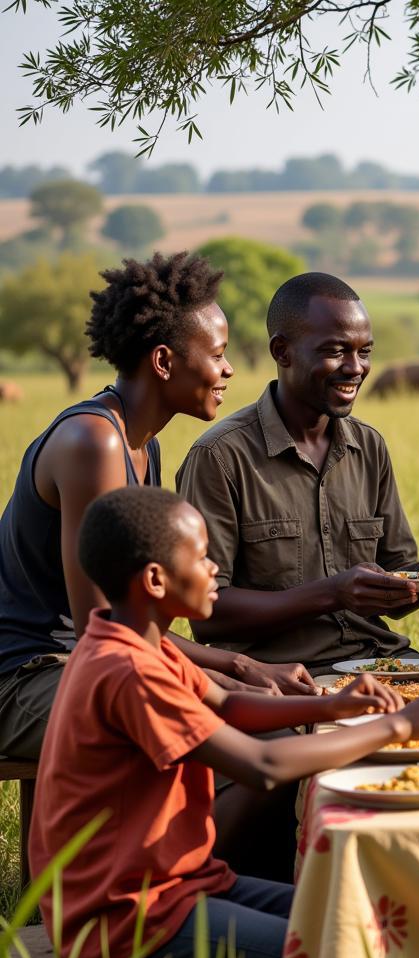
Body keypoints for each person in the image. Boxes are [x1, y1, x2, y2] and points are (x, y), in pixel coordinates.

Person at [29, 486, 419, 958]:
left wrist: (332, 704)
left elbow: (228, 703)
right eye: (202, 559)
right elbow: (261, 765)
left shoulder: (139, 639)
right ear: (155, 580)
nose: (215, 572)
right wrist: (396, 725)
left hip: (181, 884)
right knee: (347, 951)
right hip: (126, 918)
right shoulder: (128, 670)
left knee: (371, 918)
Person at [0, 252, 313, 763]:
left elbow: (132, 624)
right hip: (27, 676)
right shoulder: (93, 442)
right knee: (235, 733)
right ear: (165, 362)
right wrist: (225, 675)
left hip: (88, 663)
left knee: (256, 719)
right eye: (217, 354)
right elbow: (102, 628)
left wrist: (234, 667)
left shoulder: (142, 442)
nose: (229, 369)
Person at [176, 272, 419, 673]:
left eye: (365, 351)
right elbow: (207, 615)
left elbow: (396, 583)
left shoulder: (368, 447)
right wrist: (333, 594)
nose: (356, 368)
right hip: (280, 677)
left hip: (381, 662)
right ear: (282, 352)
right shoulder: (220, 457)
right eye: (336, 351)